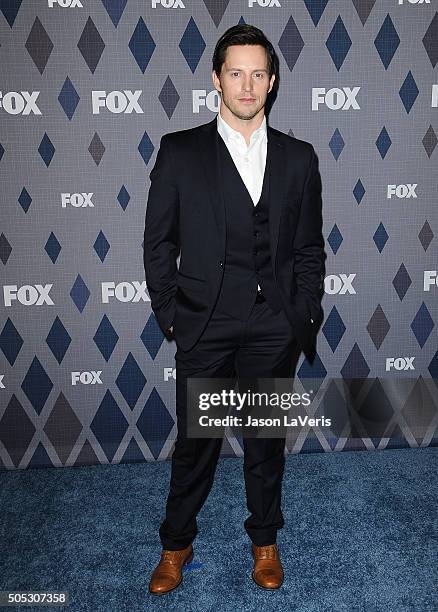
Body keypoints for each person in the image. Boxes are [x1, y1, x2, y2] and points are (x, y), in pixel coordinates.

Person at [143, 24, 326, 594]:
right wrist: (173, 314)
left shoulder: (299, 158)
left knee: (265, 443)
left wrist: (302, 312)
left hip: (274, 326)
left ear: (271, 83)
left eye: (257, 74)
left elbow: (308, 247)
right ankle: (177, 544)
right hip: (206, 323)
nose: (246, 85)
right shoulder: (180, 151)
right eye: (235, 72)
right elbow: (158, 243)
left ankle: (265, 541)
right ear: (217, 78)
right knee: (198, 443)